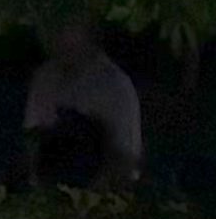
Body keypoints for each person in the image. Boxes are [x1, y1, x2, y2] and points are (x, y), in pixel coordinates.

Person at [19, 20, 146, 188]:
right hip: (49, 192)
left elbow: (127, 160)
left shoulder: (114, 84)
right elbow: (32, 144)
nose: (59, 37)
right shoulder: (44, 78)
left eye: (69, 27)